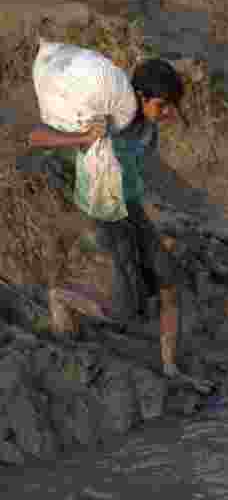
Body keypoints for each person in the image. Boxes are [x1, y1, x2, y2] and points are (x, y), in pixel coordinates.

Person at [28, 59, 189, 379]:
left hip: (130, 208)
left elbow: (132, 172)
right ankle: (61, 298)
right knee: (124, 309)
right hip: (102, 212)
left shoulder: (148, 129)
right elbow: (36, 137)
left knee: (170, 281)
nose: (168, 112)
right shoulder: (106, 118)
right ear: (141, 97)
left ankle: (171, 368)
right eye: (163, 105)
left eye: (171, 106)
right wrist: (83, 137)